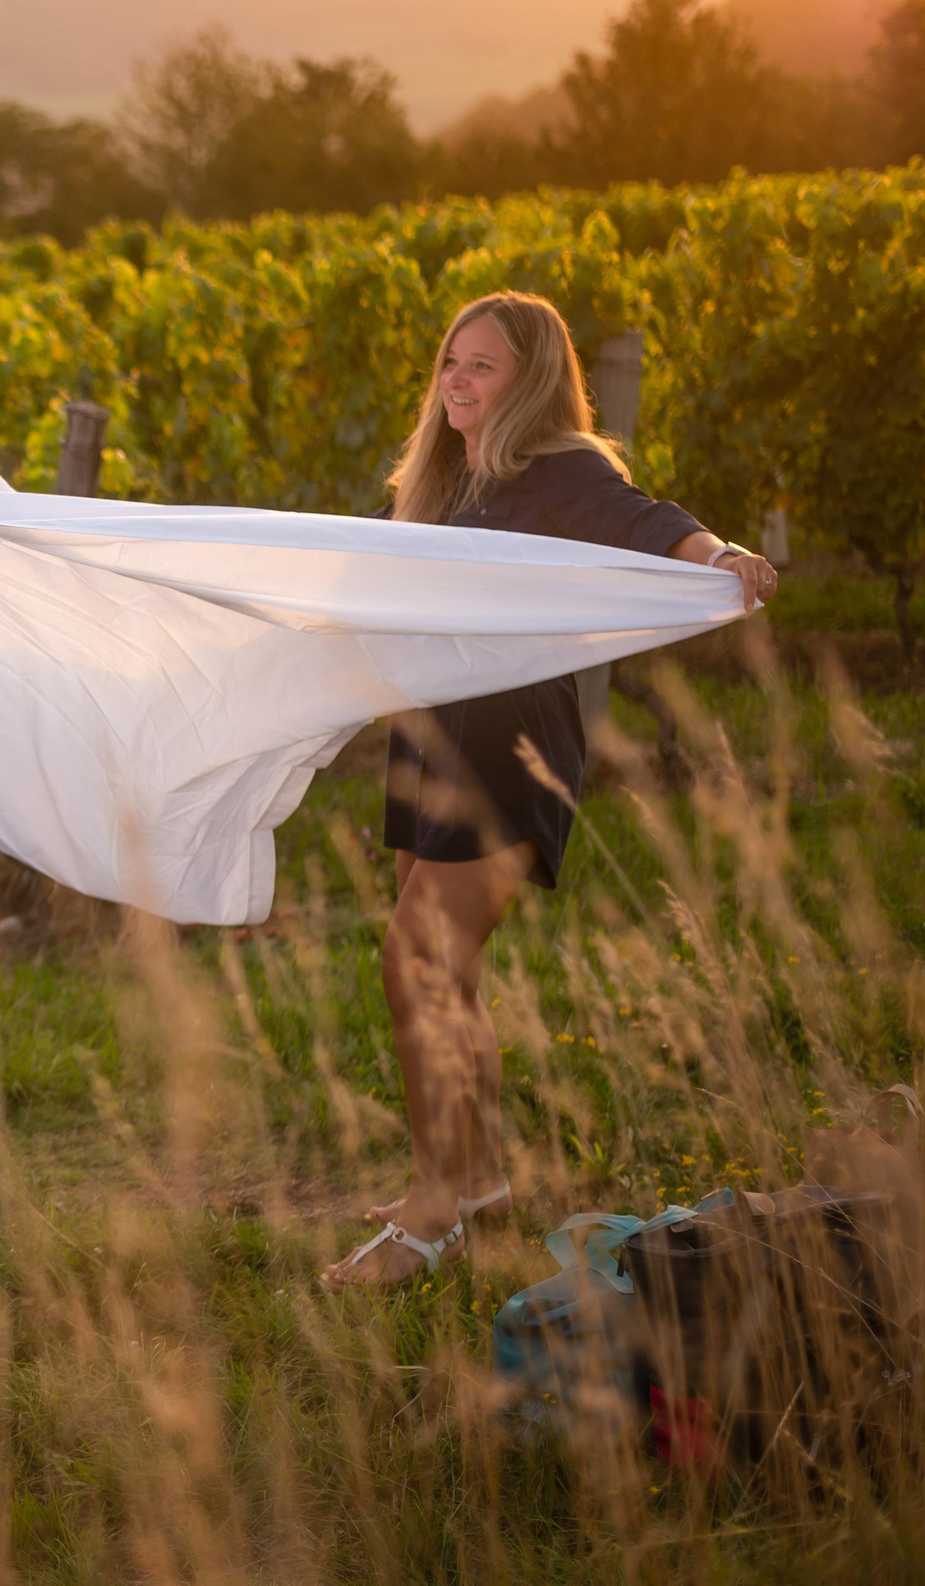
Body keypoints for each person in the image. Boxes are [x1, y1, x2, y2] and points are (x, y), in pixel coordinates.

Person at [322, 292, 778, 1291]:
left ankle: (433, 1220)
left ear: (529, 378)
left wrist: (720, 556)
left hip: (506, 744)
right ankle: (470, 1179)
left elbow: (646, 520)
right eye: (451, 361)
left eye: (481, 366)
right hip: (429, 733)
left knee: (418, 966)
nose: (457, 380)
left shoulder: (562, 468)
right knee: (444, 973)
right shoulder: (437, 479)